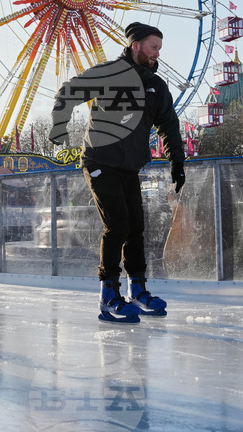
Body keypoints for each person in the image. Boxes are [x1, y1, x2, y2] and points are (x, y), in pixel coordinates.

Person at [49, 22, 185, 323]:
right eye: (153, 47)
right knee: (118, 224)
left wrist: (177, 160)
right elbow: (69, 91)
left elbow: (169, 125)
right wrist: (59, 124)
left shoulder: (156, 86)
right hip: (100, 160)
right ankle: (108, 294)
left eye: (160, 49)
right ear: (136, 45)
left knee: (136, 226)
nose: (157, 54)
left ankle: (138, 289)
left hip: (128, 166)